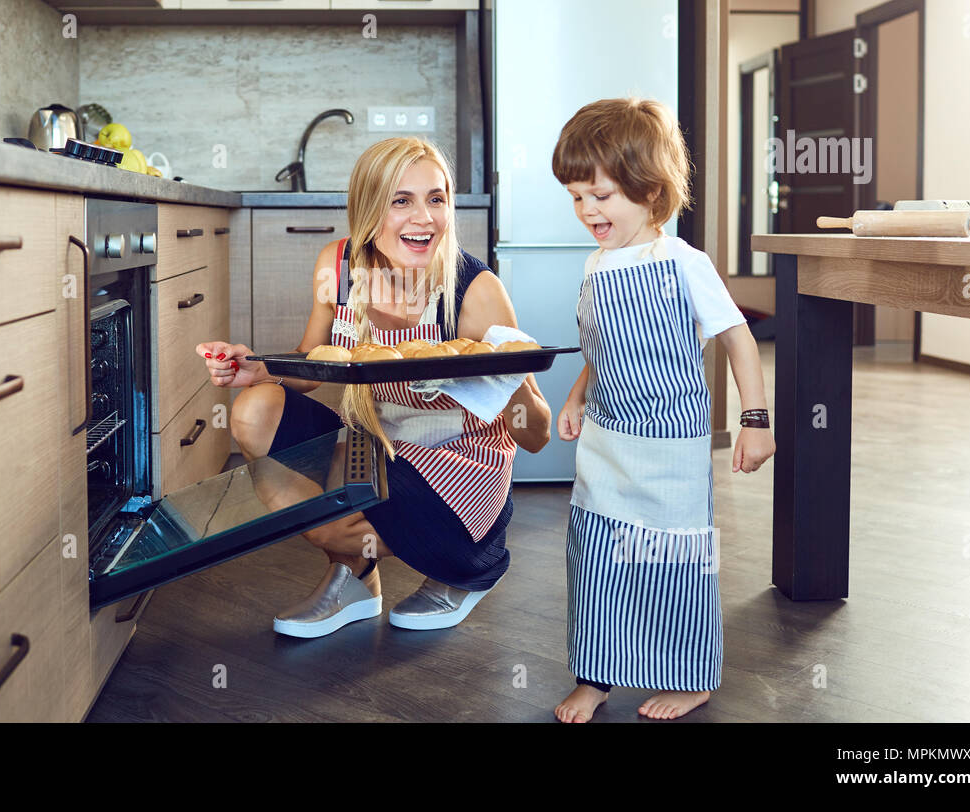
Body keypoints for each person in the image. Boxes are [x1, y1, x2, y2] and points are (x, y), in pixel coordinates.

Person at [196, 136, 551, 638]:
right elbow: (316, 362)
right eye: (401, 200)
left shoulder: (475, 290)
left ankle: (464, 570)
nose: (424, 218)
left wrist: (506, 369)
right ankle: (357, 575)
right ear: (368, 207)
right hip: (370, 444)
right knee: (256, 410)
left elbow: (536, 435)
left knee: (329, 517)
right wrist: (261, 370)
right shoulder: (338, 268)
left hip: (457, 467)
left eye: (436, 198)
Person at [550, 98, 775, 722]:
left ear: (650, 192)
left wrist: (756, 422)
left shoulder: (683, 264)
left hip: (670, 446)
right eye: (576, 197)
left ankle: (690, 674)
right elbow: (602, 347)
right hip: (605, 439)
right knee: (595, 557)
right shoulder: (597, 266)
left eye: (600, 195)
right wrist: (575, 397)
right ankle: (596, 675)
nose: (586, 211)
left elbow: (738, 338)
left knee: (674, 560)